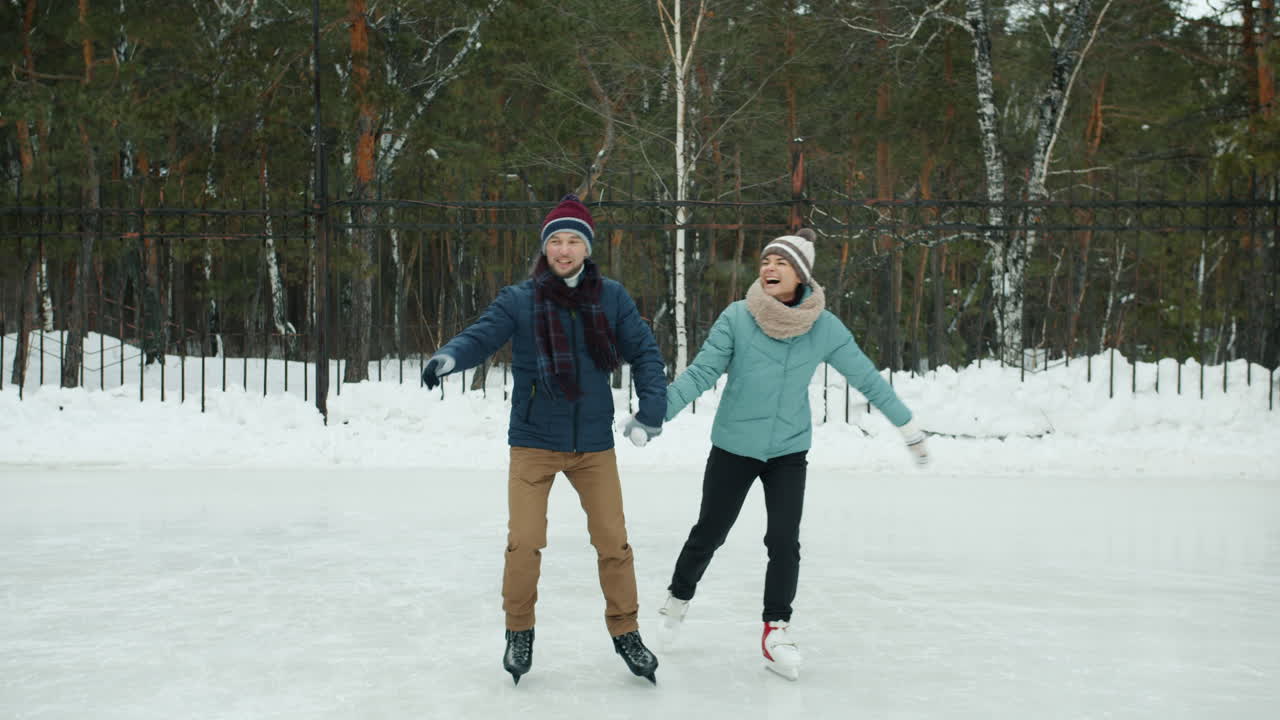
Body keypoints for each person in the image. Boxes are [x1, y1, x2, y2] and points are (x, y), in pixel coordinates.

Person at [656, 228, 929, 681]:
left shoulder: (824, 328)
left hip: (787, 450)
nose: (769, 269)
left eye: (780, 263)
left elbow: (868, 379)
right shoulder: (738, 318)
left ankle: (775, 629)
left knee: (784, 540)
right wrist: (656, 413)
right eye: (765, 262)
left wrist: (907, 426)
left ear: (801, 274)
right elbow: (701, 372)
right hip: (734, 447)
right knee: (710, 532)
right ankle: (678, 599)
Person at [421, 194, 667, 686]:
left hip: (593, 445)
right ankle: (519, 630)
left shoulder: (611, 297)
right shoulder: (520, 299)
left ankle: (627, 632)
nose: (564, 249)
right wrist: (449, 357)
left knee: (613, 543)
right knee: (526, 541)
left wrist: (652, 411)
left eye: (574, 239)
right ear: (545, 248)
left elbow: (645, 351)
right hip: (534, 441)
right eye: (556, 240)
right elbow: (482, 335)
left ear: (587, 248)